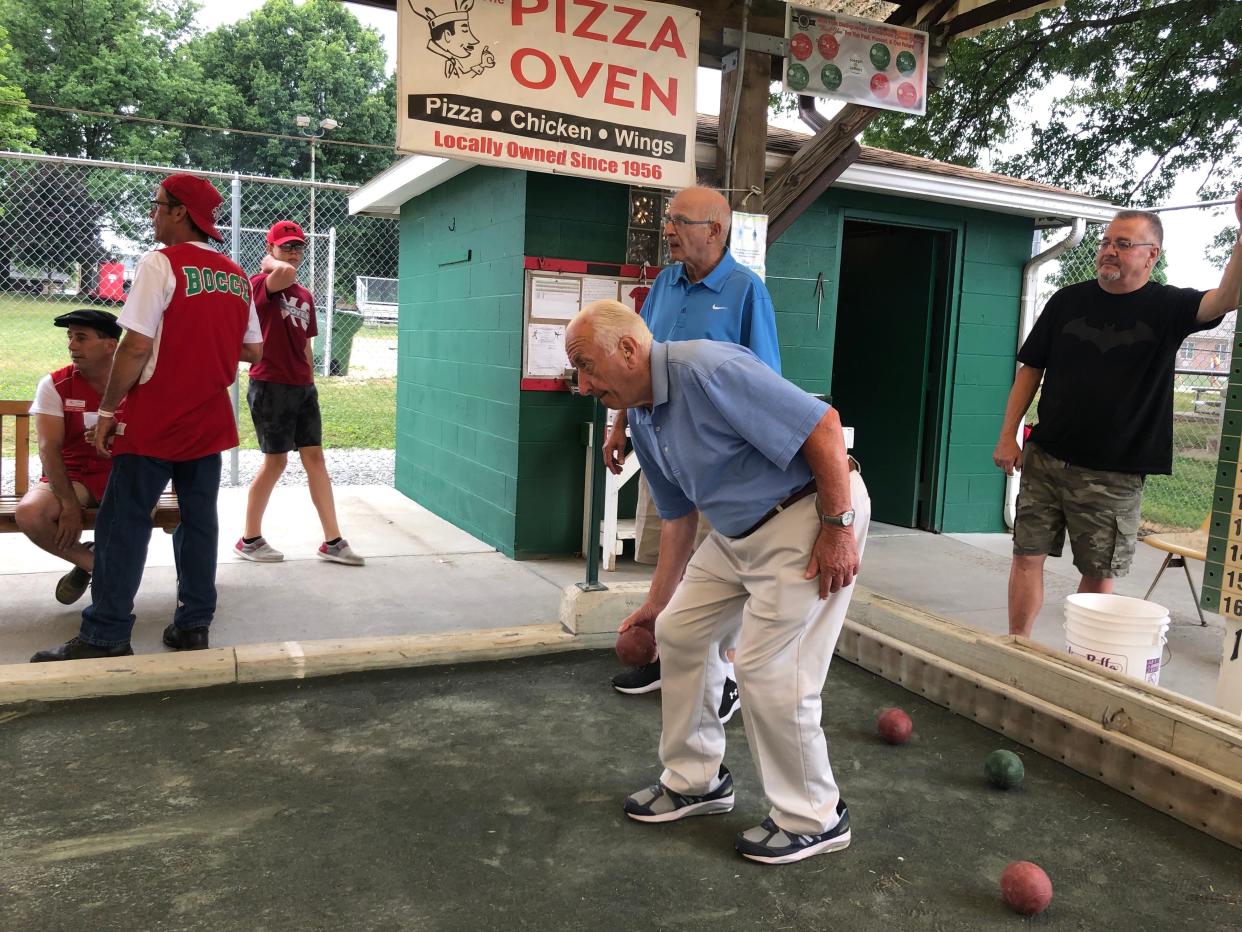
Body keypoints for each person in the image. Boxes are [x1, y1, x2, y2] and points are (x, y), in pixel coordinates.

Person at [566, 300, 869, 864]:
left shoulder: (706, 369)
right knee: (681, 632)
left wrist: (838, 528)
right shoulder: (642, 415)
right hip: (736, 532)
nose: (582, 385)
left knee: (769, 666)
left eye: (586, 366)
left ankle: (816, 816)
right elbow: (679, 522)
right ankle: (696, 779)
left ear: (629, 349)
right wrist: (656, 607)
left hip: (811, 515)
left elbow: (823, 427)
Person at [31, 173, 263, 662]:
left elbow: (135, 346)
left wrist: (109, 409)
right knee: (199, 523)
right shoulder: (236, 275)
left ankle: (105, 634)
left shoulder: (161, 263)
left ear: (180, 212)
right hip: (208, 418)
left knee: (122, 525)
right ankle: (193, 625)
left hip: (155, 417)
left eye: (158, 205)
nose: (153, 213)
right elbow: (252, 347)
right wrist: (204, 346)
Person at [994, 193, 1242, 637]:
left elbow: (1226, 297)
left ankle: (1087, 658)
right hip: (1047, 457)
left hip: (1115, 470)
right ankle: (1018, 646)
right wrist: (1007, 435)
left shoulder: (1169, 307)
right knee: (1025, 554)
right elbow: (1031, 368)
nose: (1109, 250)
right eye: (1106, 241)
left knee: (1098, 570)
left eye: (1124, 243)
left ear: (1152, 255)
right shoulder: (1067, 302)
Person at [604, 185, 781, 706]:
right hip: (660, 446)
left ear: (715, 230)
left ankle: (722, 677)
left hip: (720, 460)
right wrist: (620, 424)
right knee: (667, 553)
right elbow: (634, 362)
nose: (667, 229)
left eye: (679, 220)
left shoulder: (748, 291)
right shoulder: (665, 283)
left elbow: (766, 383)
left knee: (718, 568)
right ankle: (664, 659)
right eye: (667, 219)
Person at [234, 220, 364, 567]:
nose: (293, 252)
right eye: (286, 246)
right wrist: (269, 263)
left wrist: (310, 381)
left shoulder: (303, 294)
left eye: (298, 247)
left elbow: (306, 342)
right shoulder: (263, 283)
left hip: (301, 387)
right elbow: (284, 274)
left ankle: (333, 542)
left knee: (315, 458)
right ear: (270, 248)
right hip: (270, 384)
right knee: (275, 462)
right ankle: (249, 539)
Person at [15, 310, 122, 605]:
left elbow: (156, 436)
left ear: (110, 345)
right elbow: (49, 448)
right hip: (74, 475)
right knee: (30, 513)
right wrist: (68, 504)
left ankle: (101, 571)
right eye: (70, 337)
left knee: (139, 512)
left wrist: (119, 435)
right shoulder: (55, 384)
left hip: (125, 471)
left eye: (81, 338)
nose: (72, 345)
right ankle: (98, 567)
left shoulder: (138, 382)